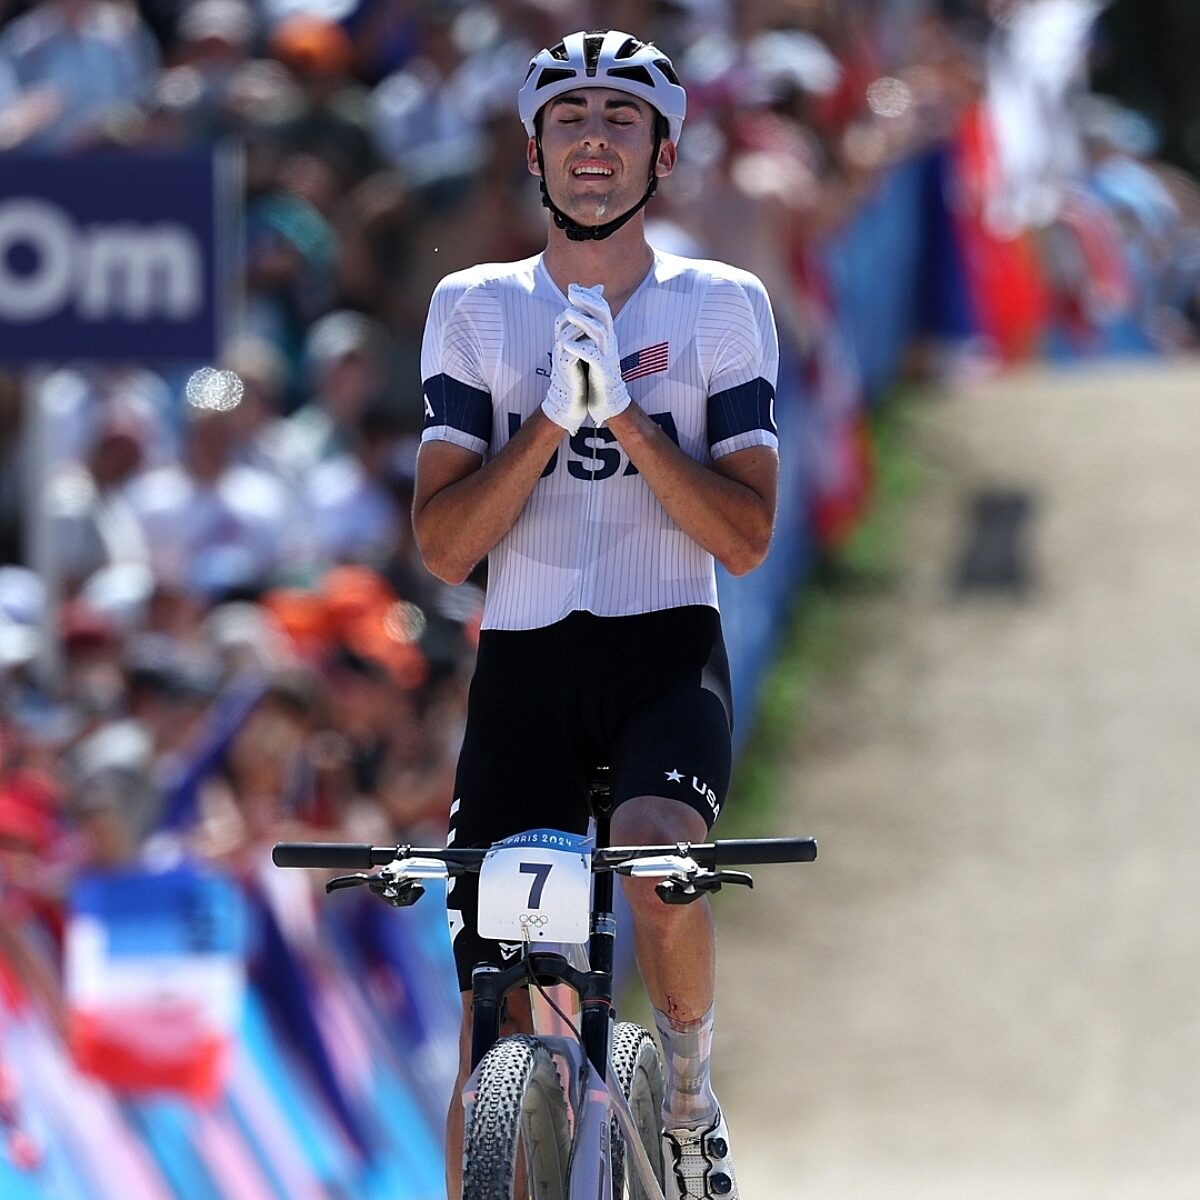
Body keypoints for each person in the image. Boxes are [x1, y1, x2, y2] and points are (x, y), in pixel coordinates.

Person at [412, 28, 779, 1200]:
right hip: (522, 663)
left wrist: (625, 419)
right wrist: (545, 425)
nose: (592, 141)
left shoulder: (722, 306)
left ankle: (683, 1089)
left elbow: (744, 537)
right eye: (568, 119)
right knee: (500, 1011)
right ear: (532, 148)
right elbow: (444, 546)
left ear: (663, 153)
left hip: (666, 650)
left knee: (660, 853)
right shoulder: (474, 306)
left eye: (622, 120)